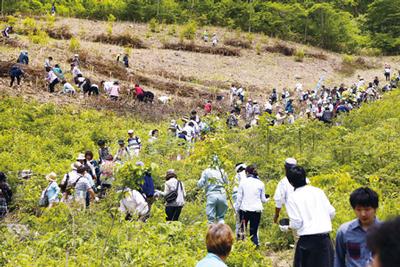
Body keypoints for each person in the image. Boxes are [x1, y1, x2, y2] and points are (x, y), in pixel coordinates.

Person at [286, 166, 335, 267]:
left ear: (290, 182)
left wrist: (288, 227)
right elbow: (331, 213)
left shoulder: (292, 198)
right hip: (324, 241)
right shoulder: (318, 191)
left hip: (307, 243)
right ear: (305, 177)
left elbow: (297, 223)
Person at [334, 187, 380, 267]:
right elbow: (338, 259)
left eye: (367, 209)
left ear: (375, 209)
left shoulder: (387, 232)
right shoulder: (344, 231)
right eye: (358, 210)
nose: (363, 214)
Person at [235, 165, 269, 246]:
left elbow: (239, 198)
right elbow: (263, 199)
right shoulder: (260, 183)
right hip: (256, 210)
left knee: (242, 230)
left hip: (244, 210)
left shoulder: (243, 182)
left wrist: (236, 210)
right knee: (253, 232)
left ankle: (242, 247)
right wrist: (268, 199)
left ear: (246, 172)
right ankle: (255, 247)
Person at [197, 155, 228, 224]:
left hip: (211, 195)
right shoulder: (222, 171)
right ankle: (222, 233)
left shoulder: (206, 171)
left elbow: (200, 184)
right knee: (221, 217)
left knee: (210, 220)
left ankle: (211, 233)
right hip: (222, 195)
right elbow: (227, 183)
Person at [273, 158, 298, 224]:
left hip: (294, 215)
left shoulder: (283, 182)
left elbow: (278, 200)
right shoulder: (305, 179)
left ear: (285, 167)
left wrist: (276, 216)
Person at [232, 163, 247, 239]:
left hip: (238, 199)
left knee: (239, 219)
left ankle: (239, 237)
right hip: (247, 200)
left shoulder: (237, 176)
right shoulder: (248, 175)